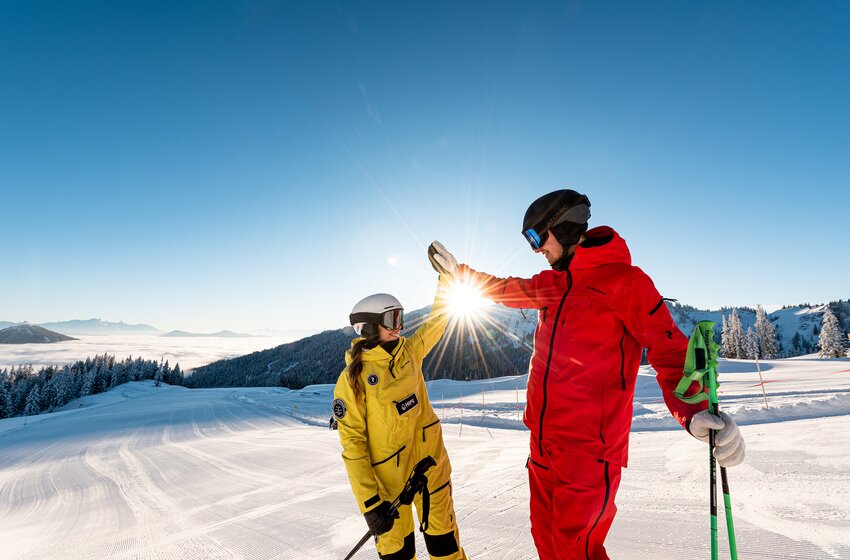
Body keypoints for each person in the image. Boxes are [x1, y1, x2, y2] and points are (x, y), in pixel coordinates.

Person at [429, 190, 745, 560]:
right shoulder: (555, 283)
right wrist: (459, 274)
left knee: (575, 550)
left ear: (563, 227)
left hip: (589, 453)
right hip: (543, 446)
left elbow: (671, 352)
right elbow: (507, 289)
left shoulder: (626, 282)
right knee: (546, 541)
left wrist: (694, 411)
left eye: (537, 237)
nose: (536, 249)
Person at [332, 260, 469, 560]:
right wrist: (371, 505)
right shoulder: (353, 380)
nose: (400, 328)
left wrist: (446, 280)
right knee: (398, 555)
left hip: (430, 466)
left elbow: (437, 323)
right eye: (392, 320)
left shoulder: (410, 351)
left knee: (444, 547)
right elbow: (353, 446)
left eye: (401, 319)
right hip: (388, 487)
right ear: (369, 327)